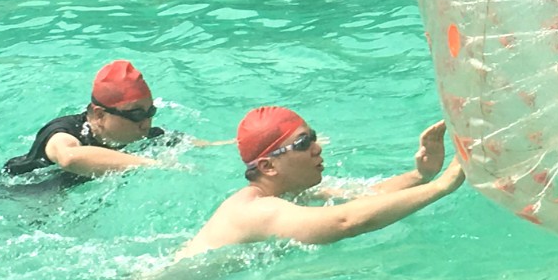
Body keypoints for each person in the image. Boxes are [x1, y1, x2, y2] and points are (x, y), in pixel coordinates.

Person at [175, 108, 464, 257]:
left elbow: (367, 197)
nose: (317, 148)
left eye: (312, 138)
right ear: (268, 166)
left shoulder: (290, 195)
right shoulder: (257, 210)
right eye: (303, 143)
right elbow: (347, 222)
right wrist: (443, 185)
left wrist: (421, 175)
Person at [3, 60, 180, 180]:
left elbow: (191, 144)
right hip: (12, 196)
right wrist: (153, 164)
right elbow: (69, 158)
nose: (146, 123)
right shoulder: (63, 132)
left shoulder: (144, 137)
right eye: (136, 115)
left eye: (151, 112)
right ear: (100, 114)